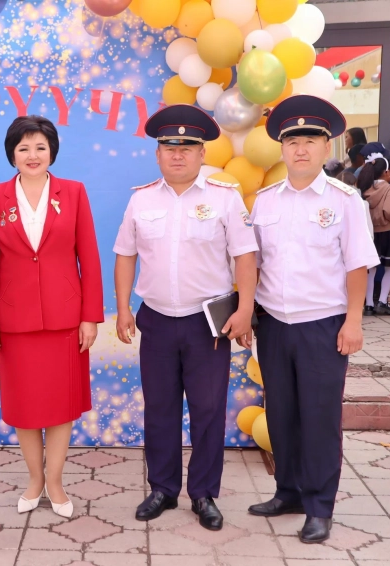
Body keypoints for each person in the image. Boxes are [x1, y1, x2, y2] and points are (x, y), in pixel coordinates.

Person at [113, 105, 258, 531]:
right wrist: (122, 307)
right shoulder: (141, 199)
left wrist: (246, 309)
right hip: (156, 320)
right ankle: (162, 488)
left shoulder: (224, 198)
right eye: (169, 147)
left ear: (201, 153)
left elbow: (245, 256)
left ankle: (204, 493)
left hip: (207, 324)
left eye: (187, 147)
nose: (178, 154)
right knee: (159, 408)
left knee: (208, 410)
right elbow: (125, 255)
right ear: (158, 153)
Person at [244, 95, 379, 544]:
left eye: (310, 141)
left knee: (319, 418)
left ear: (326, 147)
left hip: (323, 325)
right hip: (274, 325)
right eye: (292, 142)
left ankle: (320, 506)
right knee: (282, 414)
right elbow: (253, 264)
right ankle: (288, 492)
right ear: (282, 149)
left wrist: (354, 322)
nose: (300, 149)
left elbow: (357, 265)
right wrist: (246, 312)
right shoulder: (265, 202)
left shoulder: (345, 201)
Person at [0, 116, 104, 519]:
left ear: (52, 152)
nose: (32, 155)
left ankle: (56, 481)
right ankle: (34, 480)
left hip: (66, 319)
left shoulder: (74, 192)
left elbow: (89, 256)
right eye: (23, 148)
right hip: (14, 322)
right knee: (26, 407)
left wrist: (90, 316)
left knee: (61, 405)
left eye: (40, 147)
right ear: (12, 154)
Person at [358, 152, 390, 316]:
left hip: (369, 234)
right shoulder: (389, 189)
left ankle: (369, 304)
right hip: (386, 232)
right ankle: (383, 301)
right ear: (386, 172)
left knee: (371, 269)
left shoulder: (364, 188)